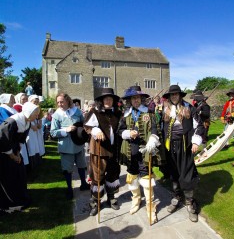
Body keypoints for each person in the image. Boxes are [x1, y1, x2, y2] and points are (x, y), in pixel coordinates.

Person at [118, 86, 165, 224]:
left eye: (138, 98)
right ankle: (136, 201)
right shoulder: (125, 114)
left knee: (147, 181)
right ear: (130, 100)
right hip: (130, 152)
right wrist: (127, 133)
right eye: (133, 98)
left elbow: (156, 129)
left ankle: (150, 208)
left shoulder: (149, 113)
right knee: (132, 179)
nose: (136, 100)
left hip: (145, 153)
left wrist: (153, 139)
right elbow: (119, 131)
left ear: (142, 99)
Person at [162, 85, 204, 222]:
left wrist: (196, 141)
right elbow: (160, 126)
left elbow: (199, 125)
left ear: (180, 95)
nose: (174, 96)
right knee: (174, 172)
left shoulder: (189, 107)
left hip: (185, 145)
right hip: (170, 146)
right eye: (171, 95)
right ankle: (176, 197)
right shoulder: (165, 109)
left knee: (187, 173)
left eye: (176, 94)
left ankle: (190, 202)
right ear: (169, 97)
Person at [84, 88, 122, 216]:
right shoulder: (95, 112)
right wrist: (95, 130)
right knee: (97, 177)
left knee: (112, 174)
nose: (108, 101)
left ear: (113, 101)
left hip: (113, 150)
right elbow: (87, 126)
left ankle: (111, 198)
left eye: (110, 98)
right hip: (99, 150)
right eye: (105, 98)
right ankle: (95, 201)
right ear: (101, 100)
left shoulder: (117, 113)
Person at [0, 102, 40, 212]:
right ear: (28, 112)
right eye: (35, 114)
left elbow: (21, 139)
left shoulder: (27, 122)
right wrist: (12, 155)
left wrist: (17, 154)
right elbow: (2, 138)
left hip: (14, 151)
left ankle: (20, 198)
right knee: (8, 177)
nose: (37, 116)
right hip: (4, 153)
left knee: (20, 173)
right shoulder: (12, 121)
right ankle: (9, 203)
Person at [50, 93, 89, 200]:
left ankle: (83, 184)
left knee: (81, 165)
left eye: (62, 101)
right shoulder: (56, 115)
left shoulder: (76, 111)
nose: (59, 104)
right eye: (58, 102)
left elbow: (83, 123)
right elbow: (53, 133)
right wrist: (65, 130)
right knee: (67, 169)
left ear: (68, 101)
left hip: (79, 144)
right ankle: (69, 189)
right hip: (66, 147)